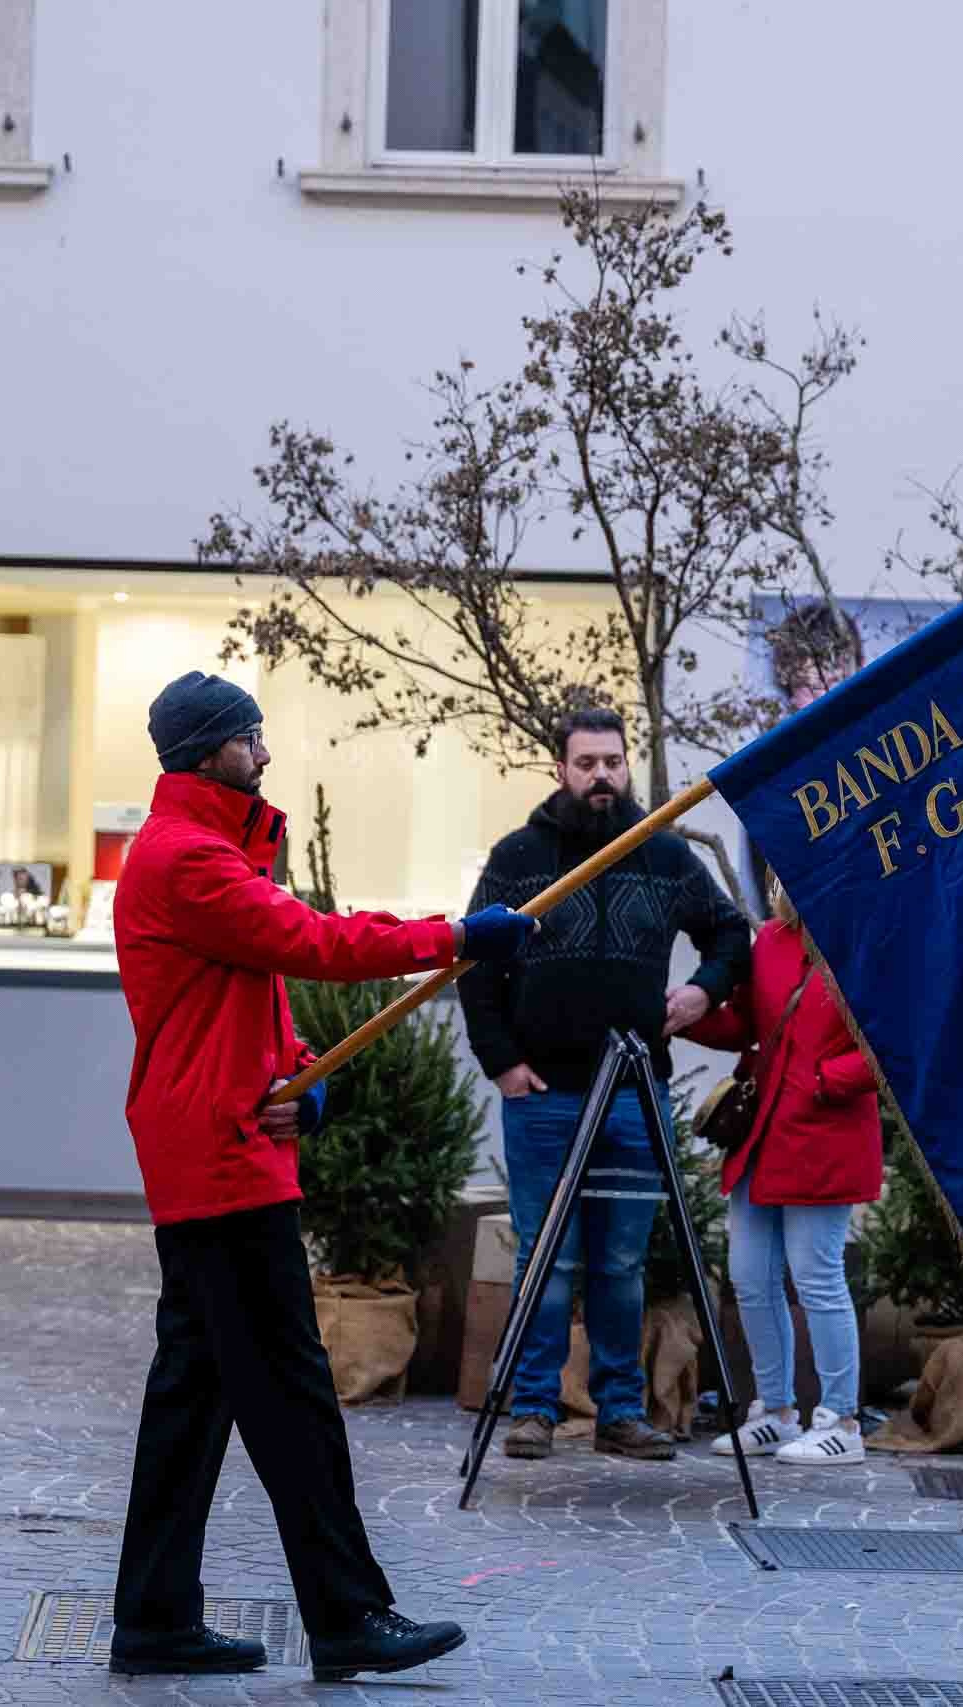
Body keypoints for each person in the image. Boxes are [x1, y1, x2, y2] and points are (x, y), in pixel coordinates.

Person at [107, 672, 533, 1680]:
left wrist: (307, 1083)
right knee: (291, 1395)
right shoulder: (190, 859)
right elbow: (313, 943)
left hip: (223, 1141)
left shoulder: (201, 853)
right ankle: (347, 1616)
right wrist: (459, 939)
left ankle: (154, 1618)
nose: (264, 751)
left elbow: (252, 993)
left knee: (194, 1393)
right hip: (221, 1164)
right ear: (212, 751)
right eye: (251, 737)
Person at [459, 707, 751, 1464]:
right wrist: (500, 1061)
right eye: (586, 762)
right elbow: (476, 964)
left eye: (613, 762)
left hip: (631, 1093)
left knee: (621, 1261)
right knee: (544, 1258)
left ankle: (620, 1409)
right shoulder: (519, 857)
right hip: (544, 1096)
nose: (601, 776)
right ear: (560, 769)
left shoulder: (663, 855)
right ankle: (534, 1406)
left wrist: (702, 994)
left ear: (628, 766)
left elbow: (729, 931)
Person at [684, 877, 882, 1464]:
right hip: (763, 1134)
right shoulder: (770, 938)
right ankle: (773, 1411)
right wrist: (683, 1012)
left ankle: (841, 1421)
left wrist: (826, 1081)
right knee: (749, 1277)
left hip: (824, 1135)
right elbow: (744, 1021)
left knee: (818, 1279)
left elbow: (890, 1044)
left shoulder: (868, 941)